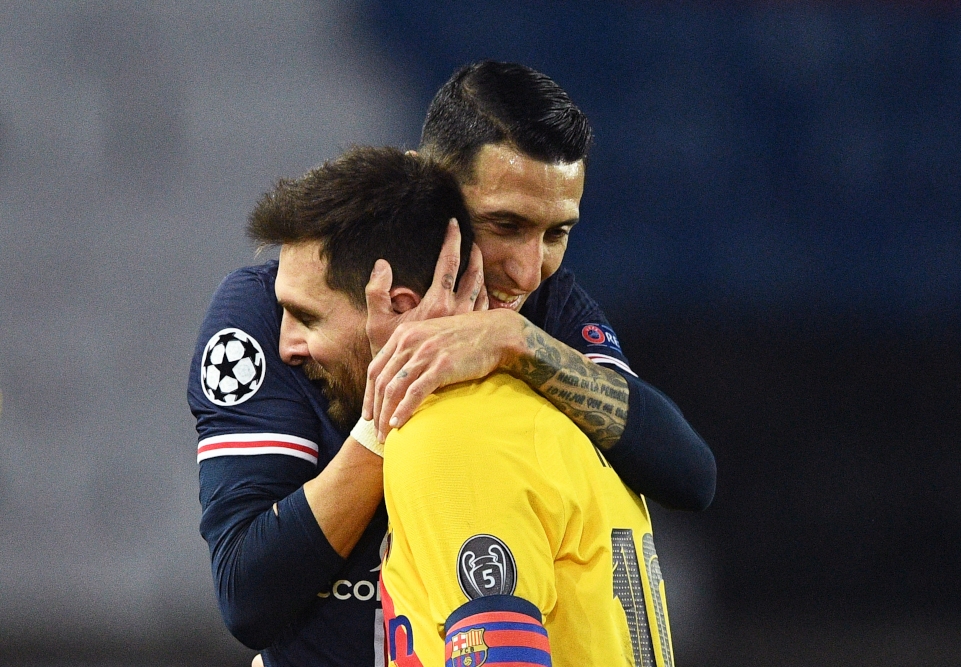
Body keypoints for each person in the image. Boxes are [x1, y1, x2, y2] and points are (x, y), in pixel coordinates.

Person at [189, 61, 714, 667]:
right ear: (435, 191)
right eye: (505, 225)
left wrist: (518, 344)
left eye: (556, 233)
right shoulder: (282, 311)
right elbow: (246, 598)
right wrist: (387, 415)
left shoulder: (538, 310)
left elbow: (688, 474)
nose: (526, 269)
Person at [255, 145, 675, 666]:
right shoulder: (553, 417)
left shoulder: (453, 438)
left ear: (397, 305)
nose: (284, 346)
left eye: (306, 317)